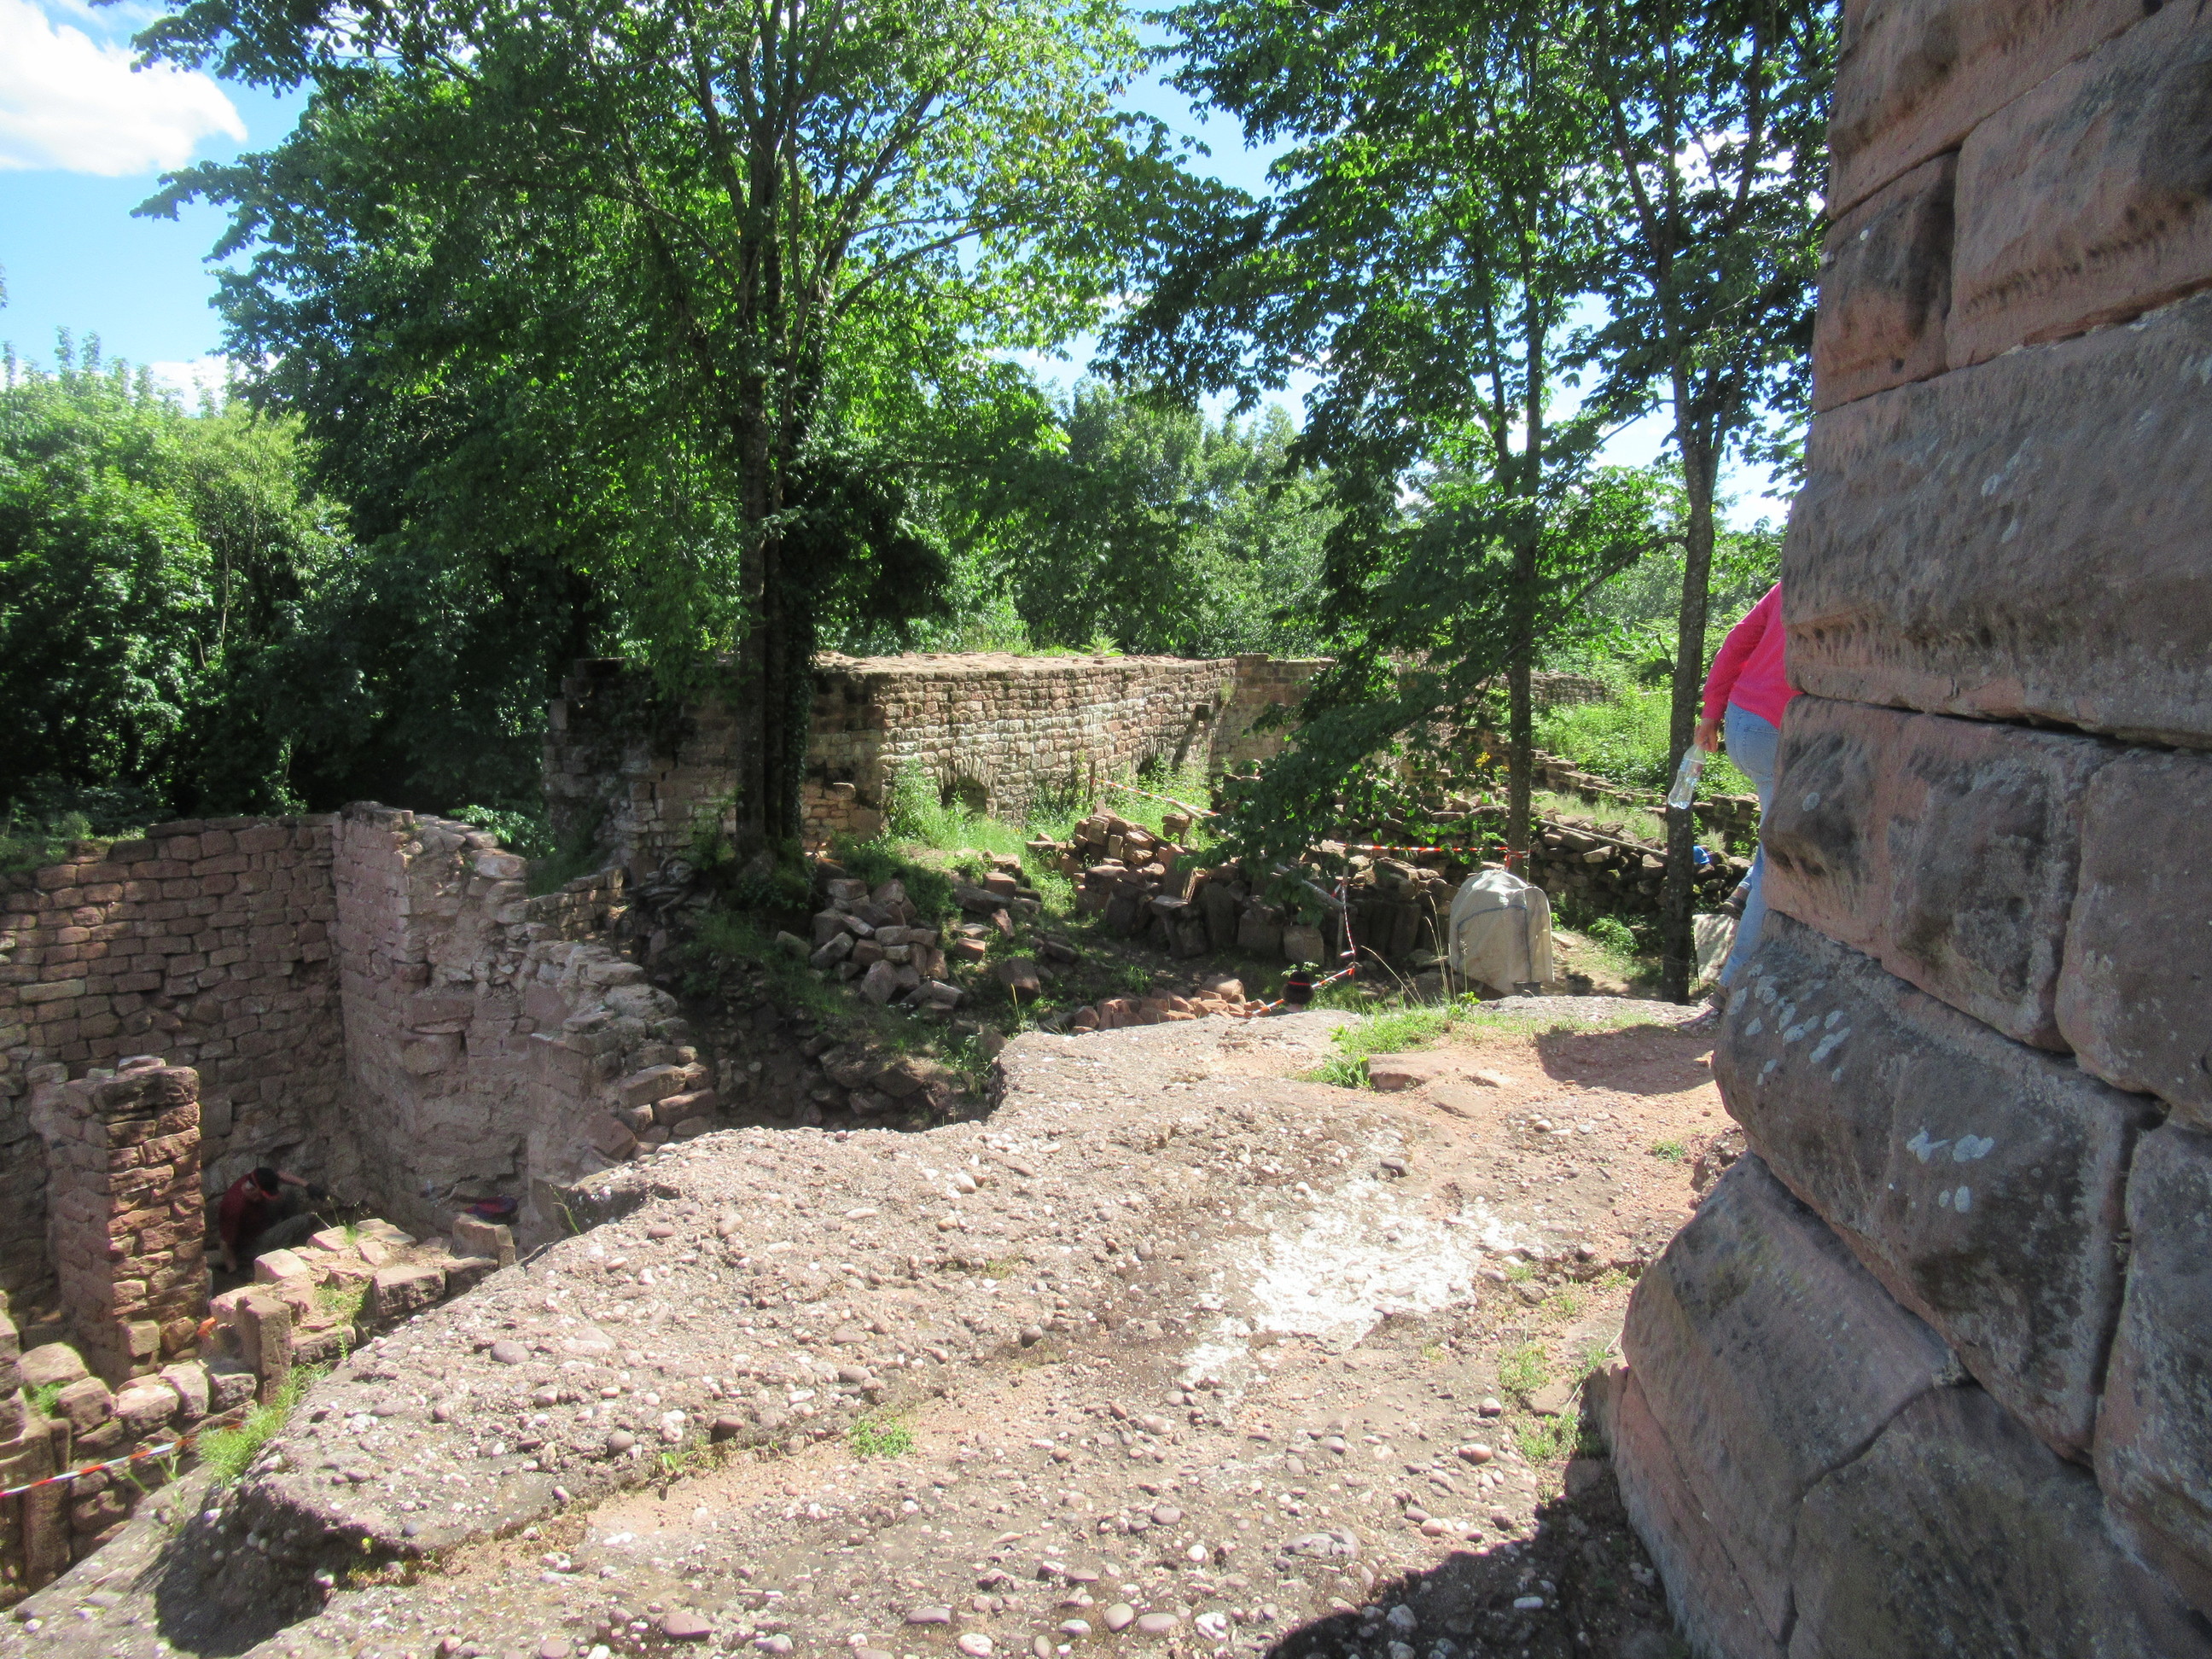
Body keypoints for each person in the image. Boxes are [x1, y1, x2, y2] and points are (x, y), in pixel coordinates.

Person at [1696, 582, 1796, 998]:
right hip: (1775, 726)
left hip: (1742, 721)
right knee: (1776, 860)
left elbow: (1736, 642)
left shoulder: (1787, 584)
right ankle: (1732, 983)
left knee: (1771, 836)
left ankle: (1743, 892)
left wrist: (1711, 712)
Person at [217, 1166, 324, 1272]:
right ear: (252, 1189)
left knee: (287, 1191)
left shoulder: (254, 1179)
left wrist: (307, 1185)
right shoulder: (234, 1207)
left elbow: (280, 1175)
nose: (260, 1198)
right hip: (250, 1246)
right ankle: (299, 1251)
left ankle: (293, 1238)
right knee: (302, 1221)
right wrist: (233, 1270)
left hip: (258, 1221)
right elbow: (225, 1244)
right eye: (261, 1195)